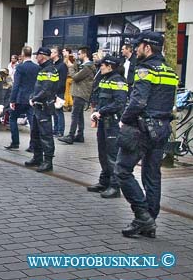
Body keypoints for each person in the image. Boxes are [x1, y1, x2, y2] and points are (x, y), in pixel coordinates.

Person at [116, 32, 177, 238]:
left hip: (141, 129)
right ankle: (149, 221)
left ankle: (142, 215)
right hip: (161, 129)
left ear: (147, 47)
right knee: (152, 176)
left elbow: (138, 101)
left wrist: (124, 119)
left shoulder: (144, 68)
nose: (135, 49)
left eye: (138, 46)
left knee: (122, 171)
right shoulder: (170, 71)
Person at [87, 56, 127, 199]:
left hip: (113, 123)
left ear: (110, 66)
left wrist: (101, 111)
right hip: (104, 122)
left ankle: (115, 187)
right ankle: (104, 182)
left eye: (102, 65)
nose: (100, 67)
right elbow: (102, 99)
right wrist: (97, 112)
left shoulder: (118, 81)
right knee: (103, 153)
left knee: (112, 155)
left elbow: (119, 103)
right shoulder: (105, 79)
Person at [25, 47, 59, 172]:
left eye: (37, 55)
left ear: (43, 56)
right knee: (35, 134)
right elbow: (37, 88)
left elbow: (47, 89)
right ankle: (37, 157)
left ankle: (48, 161)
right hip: (37, 106)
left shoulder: (50, 70)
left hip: (44, 107)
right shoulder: (42, 69)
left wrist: (34, 98)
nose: (35, 57)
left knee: (46, 135)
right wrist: (32, 97)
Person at [60, 47, 95, 144]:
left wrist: (70, 67)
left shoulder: (88, 67)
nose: (78, 56)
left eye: (79, 54)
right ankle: (80, 135)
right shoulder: (83, 65)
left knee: (75, 114)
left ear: (85, 54)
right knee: (79, 115)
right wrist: (73, 64)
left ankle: (71, 135)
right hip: (79, 92)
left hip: (81, 92)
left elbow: (75, 77)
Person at [6, 46, 38, 151]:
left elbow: (16, 85)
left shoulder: (20, 67)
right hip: (32, 98)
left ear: (23, 54)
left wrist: (12, 100)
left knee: (12, 118)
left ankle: (15, 142)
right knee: (32, 121)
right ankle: (33, 145)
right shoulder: (37, 67)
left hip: (20, 98)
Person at [50, 47, 68, 137]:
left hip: (59, 91)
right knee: (54, 111)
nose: (50, 54)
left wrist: (57, 91)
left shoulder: (62, 65)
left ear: (57, 53)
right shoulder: (53, 65)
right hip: (53, 91)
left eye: (52, 52)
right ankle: (55, 129)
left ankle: (60, 130)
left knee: (59, 111)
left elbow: (62, 80)